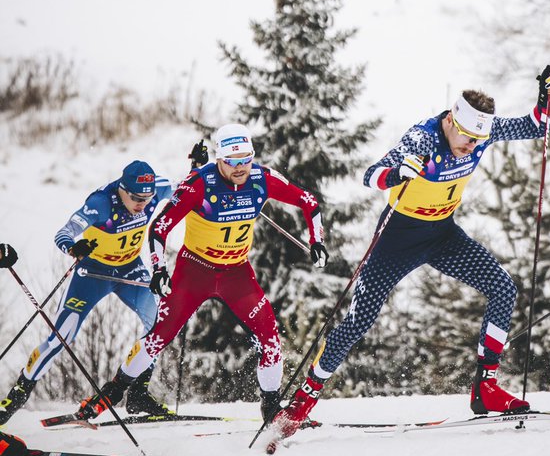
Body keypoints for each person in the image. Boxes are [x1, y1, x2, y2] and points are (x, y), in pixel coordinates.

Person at [271, 67, 550, 441]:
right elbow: (371, 175)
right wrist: (397, 173)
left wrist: (546, 97)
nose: (473, 146)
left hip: (442, 234)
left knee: (503, 288)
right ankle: (301, 403)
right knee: (357, 323)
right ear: (451, 121)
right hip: (396, 239)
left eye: (479, 139)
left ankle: (485, 387)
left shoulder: (481, 131)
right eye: (468, 138)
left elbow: (536, 126)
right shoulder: (422, 138)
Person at [78, 123, 327, 425]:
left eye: (246, 159)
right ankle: (111, 394)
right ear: (219, 159)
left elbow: (309, 202)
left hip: (237, 273)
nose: (240, 168)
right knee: (158, 338)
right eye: (233, 161)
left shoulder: (262, 178)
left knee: (271, 341)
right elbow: (160, 227)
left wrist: (317, 241)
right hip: (194, 272)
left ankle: (272, 408)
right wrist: (159, 269)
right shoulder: (199, 184)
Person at [0, 163, 173, 425]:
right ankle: (15, 398)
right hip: (93, 274)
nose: (142, 204)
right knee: (61, 337)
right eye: (136, 198)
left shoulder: (157, 189)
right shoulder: (101, 202)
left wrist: (197, 166)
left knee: (160, 324)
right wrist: (73, 247)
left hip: (130, 270)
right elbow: (63, 233)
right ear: (122, 189)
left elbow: (187, 189)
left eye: (147, 199)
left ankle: (137, 392)